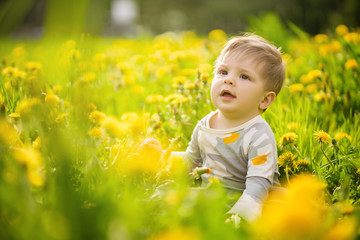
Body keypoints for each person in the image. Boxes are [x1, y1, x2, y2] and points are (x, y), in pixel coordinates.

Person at [140, 33, 286, 222]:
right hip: (213, 196)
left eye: (244, 76)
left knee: (276, 205)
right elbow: (191, 161)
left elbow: (258, 184)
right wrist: (163, 157)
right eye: (223, 72)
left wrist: (240, 215)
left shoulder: (258, 135)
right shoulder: (205, 125)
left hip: (249, 200)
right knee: (163, 195)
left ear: (265, 99)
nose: (229, 80)